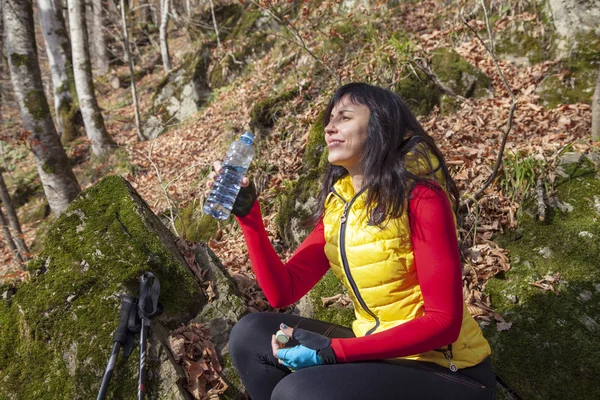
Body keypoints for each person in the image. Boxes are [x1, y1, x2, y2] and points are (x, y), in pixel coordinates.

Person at [208, 83, 496, 400]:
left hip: (446, 370)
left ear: (380, 127)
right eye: (329, 119)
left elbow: (444, 323)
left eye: (344, 117)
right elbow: (283, 291)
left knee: (297, 392)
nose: (329, 128)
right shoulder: (340, 205)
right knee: (249, 335)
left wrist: (335, 352)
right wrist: (249, 217)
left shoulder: (421, 197)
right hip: (376, 355)